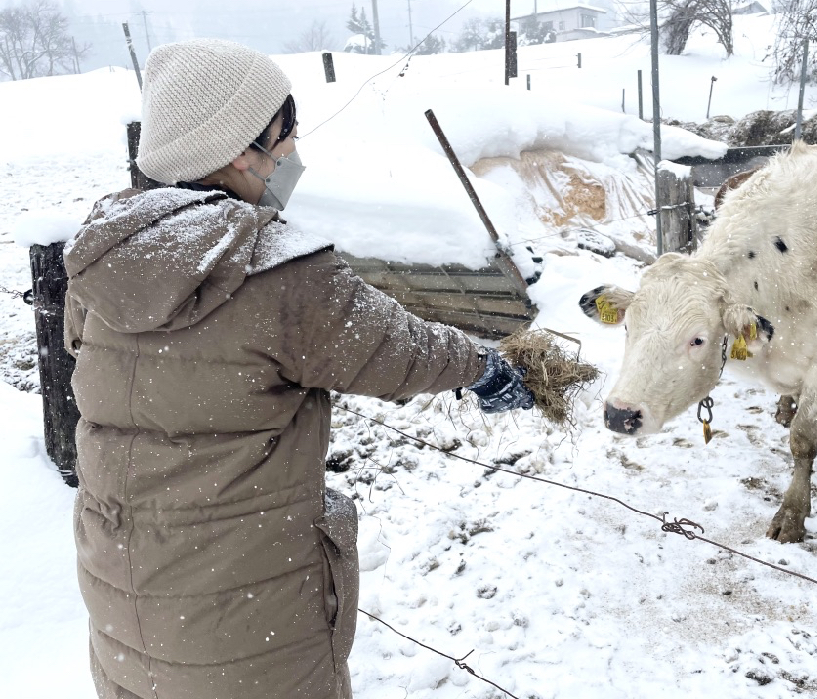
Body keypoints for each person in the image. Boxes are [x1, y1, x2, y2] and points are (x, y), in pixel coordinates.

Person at [63, 38, 534, 699]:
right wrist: (481, 367)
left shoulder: (101, 257)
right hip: (247, 620)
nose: (291, 154)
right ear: (238, 149)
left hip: (124, 604)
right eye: (284, 136)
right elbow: (392, 348)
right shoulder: (274, 268)